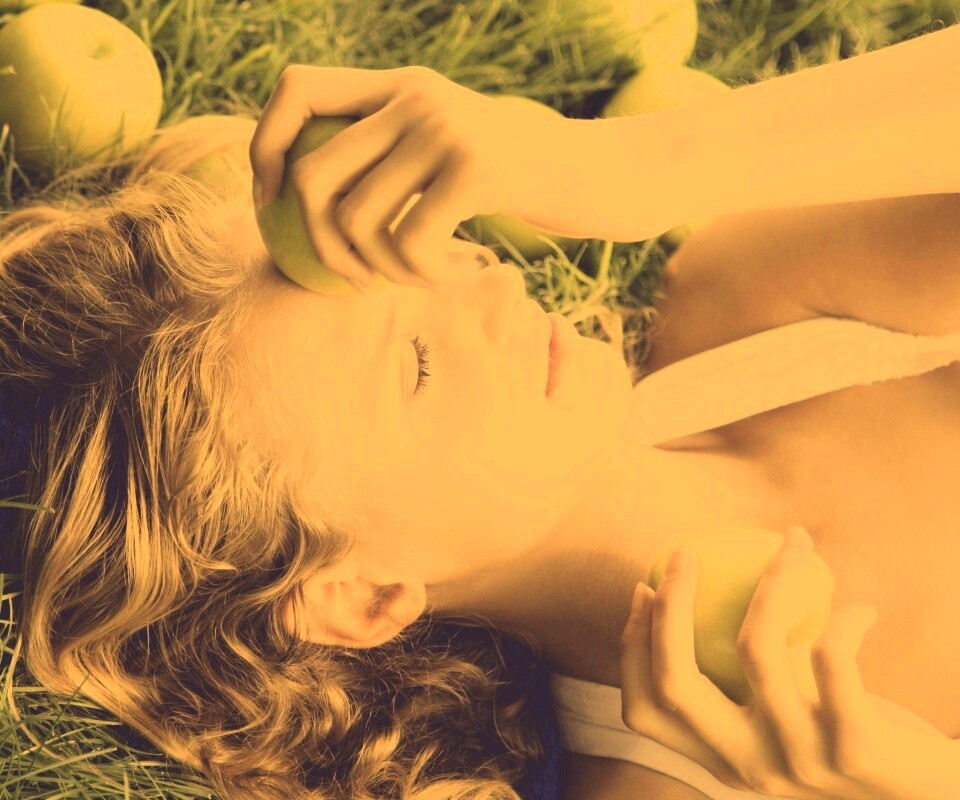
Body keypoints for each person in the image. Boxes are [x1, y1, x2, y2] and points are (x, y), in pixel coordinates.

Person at [2, 22, 959, 800]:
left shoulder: (758, 306)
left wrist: (639, 166)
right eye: (414, 365)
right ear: (360, 596)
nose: (492, 289)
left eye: (420, 261)